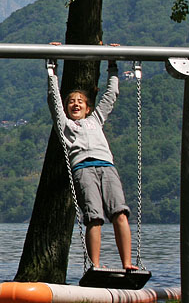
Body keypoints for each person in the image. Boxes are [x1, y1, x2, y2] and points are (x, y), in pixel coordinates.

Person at [46, 47, 137, 271]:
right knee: (94, 217)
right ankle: (95, 265)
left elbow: (110, 95)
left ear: (88, 108)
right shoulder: (65, 125)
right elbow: (54, 99)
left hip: (107, 167)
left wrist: (112, 63)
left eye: (80, 101)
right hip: (83, 169)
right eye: (71, 102)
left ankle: (127, 264)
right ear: (67, 109)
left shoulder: (96, 120)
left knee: (120, 213)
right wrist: (52, 67)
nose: (75, 104)